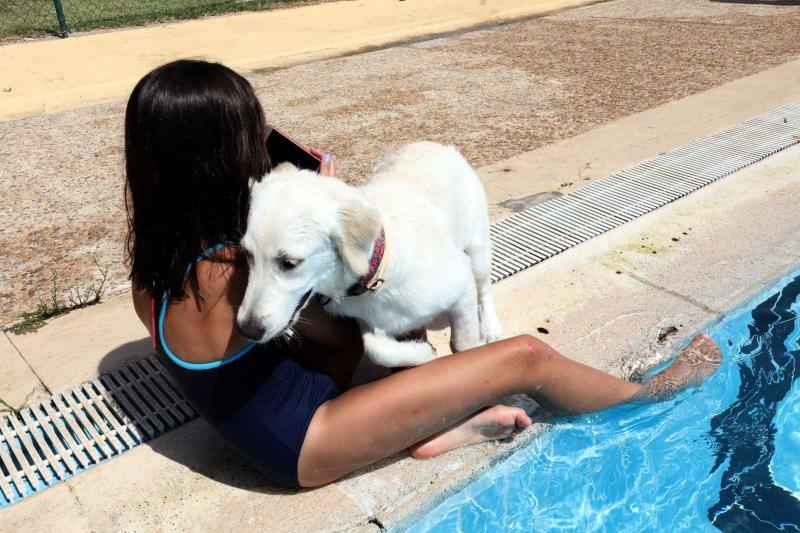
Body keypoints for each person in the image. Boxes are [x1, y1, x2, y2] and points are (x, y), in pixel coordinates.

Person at [126, 59, 722, 489]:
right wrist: (326, 210)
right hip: (309, 440)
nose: (260, 146)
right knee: (522, 359)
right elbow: (338, 338)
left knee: (408, 344)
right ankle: (648, 396)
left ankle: (435, 430)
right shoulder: (228, 271)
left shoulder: (155, 271)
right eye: (249, 135)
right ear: (219, 159)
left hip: (291, 420)